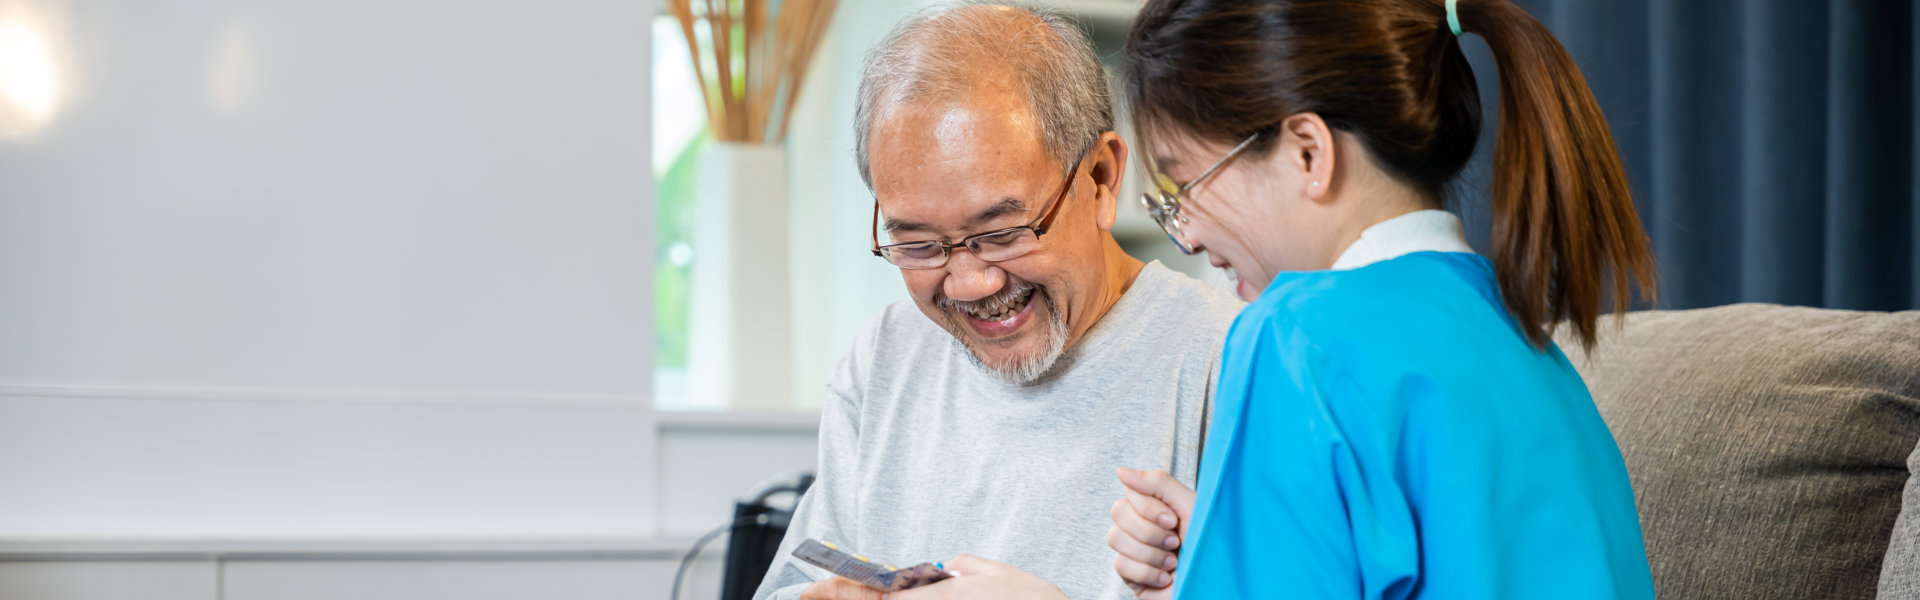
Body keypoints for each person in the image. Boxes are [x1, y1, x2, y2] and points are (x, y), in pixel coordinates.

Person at [894, 0, 1661, 598]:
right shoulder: (1526, 342)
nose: (1186, 233)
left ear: (1306, 152)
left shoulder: (1297, 332)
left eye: (1185, 182)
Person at [750, 4, 1243, 600]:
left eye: (1003, 233)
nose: (969, 284)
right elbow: (795, 583)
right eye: (919, 244)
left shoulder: (1233, 358)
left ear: (1102, 178)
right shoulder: (885, 356)